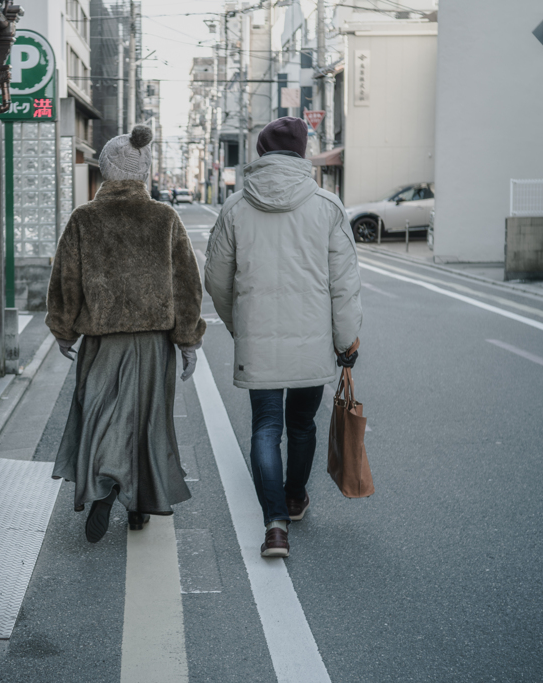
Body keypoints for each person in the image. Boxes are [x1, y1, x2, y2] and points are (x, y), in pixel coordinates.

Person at [203, 117, 362, 559]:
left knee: (266, 428)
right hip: (312, 340)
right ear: (303, 151)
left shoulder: (237, 206)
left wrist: (241, 324)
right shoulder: (327, 206)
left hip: (260, 341)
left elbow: (215, 278)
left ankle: (274, 526)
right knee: (302, 424)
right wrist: (346, 340)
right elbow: (344, 283)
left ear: (259, 152)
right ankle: (294, 498)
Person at [47, 124, 207, 543]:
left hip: (101, 340)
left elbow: (66, 279)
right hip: (154, 343)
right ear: (145, 170)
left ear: (104, 169)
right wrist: (188, 341)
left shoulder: (84, 218)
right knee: (148, 421)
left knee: (99, 414)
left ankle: (102, 484)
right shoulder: (164, 218)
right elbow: (186, 284)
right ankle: (139, 505)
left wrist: (63, 329)